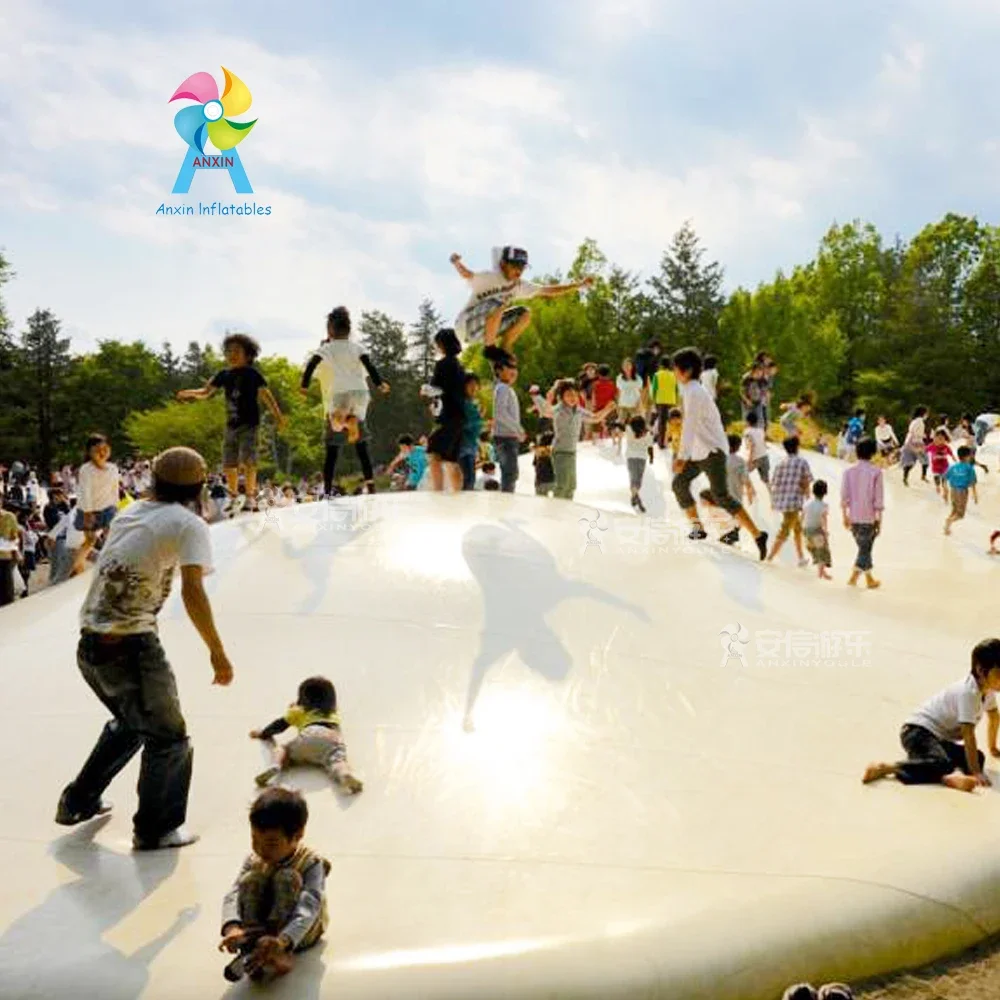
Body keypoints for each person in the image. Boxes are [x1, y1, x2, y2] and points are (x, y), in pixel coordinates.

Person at [55, 447, 234, 850]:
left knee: (131, 724)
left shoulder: (131, 510)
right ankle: (157, 829)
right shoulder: (188, 523)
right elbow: (193, 590)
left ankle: (77, 801)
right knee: (169, 737)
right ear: (200, 487)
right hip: (130, 645)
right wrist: (217, 651)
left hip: (89, 643)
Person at [219, 788, 331, 983]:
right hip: (262, 927)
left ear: (297, 835)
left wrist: (283, 941)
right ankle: (254, 945)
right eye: (254, 839)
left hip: (297, 932)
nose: (260, 849)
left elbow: (309, 908)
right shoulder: (254, 859)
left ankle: (279, 952)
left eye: (271, 843)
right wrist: (233, 927)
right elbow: (234, 893)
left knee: (287, 877)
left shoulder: (311, 863)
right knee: (250, 879)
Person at [863, 638, 1000, 793]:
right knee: (941, 762)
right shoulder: (968, 693)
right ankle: (888, 768)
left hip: (938, 739)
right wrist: (976, 772)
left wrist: (993, 747)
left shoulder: (987, 692)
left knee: (978, 756)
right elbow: (968, 735)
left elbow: (994, 717)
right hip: (917, 732)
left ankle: (950, 775)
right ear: (981, 671)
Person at [670, 348, 769, 558]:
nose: (674, 373)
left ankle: (758, 534)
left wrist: (681, 456)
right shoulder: (689, 390)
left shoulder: (694, 391)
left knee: (721, 495)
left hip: (712, 451)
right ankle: (698, 528)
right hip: (700, 452)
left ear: (686, 371)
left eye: (675, 369)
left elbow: (689, 425)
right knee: (679, 484)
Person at [177, 333, 286, 505]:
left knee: (249, 460)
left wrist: (279, 417)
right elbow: (206, 392)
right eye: (228, 351)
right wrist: (190, 393)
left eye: (237, 350)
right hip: (231, 425)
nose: (231, 354)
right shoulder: (223, 374)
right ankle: (234, 495)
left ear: (248, 354)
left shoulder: (252, 374)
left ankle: (250, 496)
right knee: (229, 463)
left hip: (250, 424)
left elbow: (267, 396)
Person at [449, 247, 592, 365]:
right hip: (466, 326)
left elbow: (548, 290)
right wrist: (456, 262)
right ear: (503, 264)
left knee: (525, 313)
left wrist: (578, 285)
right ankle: (490, 349)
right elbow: (467, 275)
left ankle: (505, 348)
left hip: (486, 331)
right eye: (515, 267)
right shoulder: (490, 277)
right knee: (499, 302)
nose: (519, 271)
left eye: (522, 268)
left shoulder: (519, 285)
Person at [301, 308, 389, 495]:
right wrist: (380, 383)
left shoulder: (327, 348)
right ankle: (371, 486)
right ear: (349, 330)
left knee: (334, 431)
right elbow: (369, 365)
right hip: (361, 392)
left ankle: (326, 490)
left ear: (330, 330)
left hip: (340, 393)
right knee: (362, 447)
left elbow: (312, 364)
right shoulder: (357, 347)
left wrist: (304, 384)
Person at [250, 676, 362, 794]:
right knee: (338, 760)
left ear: (301, 698)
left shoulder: (298, 711)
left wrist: (263, 733)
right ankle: (344, 773)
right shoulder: (332, 712)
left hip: (308, 736)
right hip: (331, 738)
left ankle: (275, 765)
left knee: (283, 748)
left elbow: (279, 725)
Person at [533, 381, 615, 501]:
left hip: (571, 451)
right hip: (560, 451)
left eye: (574, 395)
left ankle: (567, 509)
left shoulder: (579, 410)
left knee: (571, 485)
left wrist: (607, 409)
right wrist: (543, 397)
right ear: (562, 397)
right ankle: (557, 510)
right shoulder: (559, 409)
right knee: (562, 484)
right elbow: (546, 412)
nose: (572, 398)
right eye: (568, 395)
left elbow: (595, 418)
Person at [423, 328, 467, 492]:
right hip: (459, 415)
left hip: (447, 415)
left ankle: (438, 493)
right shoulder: (459, 365)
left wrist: (426, 390)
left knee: (433, 452)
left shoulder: (442, 364)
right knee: (451, 459)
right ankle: (458, 495)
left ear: (441, 344)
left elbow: (437, 388)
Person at [72, 433, 121, 575]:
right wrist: (88, 513)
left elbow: (114, 489)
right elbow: (84, 492)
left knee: (112, 535)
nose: (102, 452)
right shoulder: (86, 469)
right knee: (90, 541)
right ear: (90, 451)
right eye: (97, 449)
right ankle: (76, 567)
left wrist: (116, 507)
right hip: (88, 509)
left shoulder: (112, 468)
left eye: (104, 448)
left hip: (108, 508)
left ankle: (113, 566)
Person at [840, 437, 883, 589]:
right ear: (873, 453)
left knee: (864, 548)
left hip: (853, 517)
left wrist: (844, 516)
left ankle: (869, 579)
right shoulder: (876, 472)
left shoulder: (849, 471)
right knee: (865, 549)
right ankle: (853, 578)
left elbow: (844, 496)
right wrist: (880, 520)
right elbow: (878, 499)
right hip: (869, 517)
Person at [766, 437, 813, 566]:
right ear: (797, 447)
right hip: (794, 501)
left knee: (797, 528)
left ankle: (801, 558)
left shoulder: (781, 463)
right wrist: (808, 498)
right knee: (785, 530)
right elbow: (806, 481)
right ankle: (769, 557)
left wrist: (774, 500)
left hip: (782, 501)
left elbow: (773, 483)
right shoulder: (802, 462)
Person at [492, 358, 525, 493]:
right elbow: (500, 413)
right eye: (509, 369)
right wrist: (518, 429)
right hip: (505, 437)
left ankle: (506, 503)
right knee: (509, 473)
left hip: (509, 436)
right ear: (499, 371)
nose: (513, 372)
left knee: (511, 473)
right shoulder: (503, 388)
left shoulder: (506, 388)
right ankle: (505, 505)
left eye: (514, 369)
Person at [944, 446, 979, 536]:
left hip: (953, 491)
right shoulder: (969, 468)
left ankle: (947, 528)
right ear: (967, 456)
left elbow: (944, 478)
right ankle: (949, 521)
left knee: (954, 510)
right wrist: (975, 495)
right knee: (960, 515)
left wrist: (945, 490)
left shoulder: (953, 466)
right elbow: (972, 483)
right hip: (962, 492)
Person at [802, 480, 832, 580]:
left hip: (806, 531)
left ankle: (822, 573)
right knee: (823, 552)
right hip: (817, 532)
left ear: (813, 491)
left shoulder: (807, 503)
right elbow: (824, 519)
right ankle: (820, 574)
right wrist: (826, 531)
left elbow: (802, 516)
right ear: (825, 492)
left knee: (816, 552)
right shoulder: (824, 506)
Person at [458, 373, 484, 491]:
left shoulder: (471, 404)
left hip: (470, 447)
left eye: (476, 385)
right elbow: (462, 425)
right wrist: (480, 422)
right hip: (462, 448)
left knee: (470, 481)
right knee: (467, 481)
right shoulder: (462, 403)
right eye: (470, 385)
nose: (474, 388)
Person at [625, 415, 655, 513]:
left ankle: (635, 495)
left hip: (630, 457)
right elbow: (650, 447)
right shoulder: (648, 434)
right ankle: (635, 495)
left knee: (633, 478)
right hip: (642, 458)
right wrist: (651, 457)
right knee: (638, 479)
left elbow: (624, 424)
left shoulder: (629, 430)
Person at [651, 357, 678, 449]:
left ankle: (661, 443)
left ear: (661, 365)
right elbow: (676, 389)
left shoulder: (657, 375)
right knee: (671, 421)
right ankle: (672, 440)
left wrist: (653, 400)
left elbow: (654, 389)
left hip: (661, 401)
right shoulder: (674, 375)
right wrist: (676, 401)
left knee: (661, 423)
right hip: (671, 400)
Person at [901, 405, 928, 486]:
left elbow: (912, 432)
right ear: (923, 413)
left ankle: (905, 477)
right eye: (926, 413)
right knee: (925, 460)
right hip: (917, 442)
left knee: (910, 462)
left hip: (909, 442)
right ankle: (923, 476)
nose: (927, 415)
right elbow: (916, 433)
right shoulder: (920, 422)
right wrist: (922, 436)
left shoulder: (913, 421)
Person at [742, 410, 770, 487]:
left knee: (742, 473)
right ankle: (772, 496)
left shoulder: (747, 432)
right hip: (764, 457)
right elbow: (763, 443)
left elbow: (751, 445)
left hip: (755, 458)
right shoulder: (761, 430)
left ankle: (749, 491)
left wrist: (749, 460)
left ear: (747, 421)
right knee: (766, 481)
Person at [926, 430, 955, 502]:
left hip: (945, 467)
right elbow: (924, 451)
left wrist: (954, 458)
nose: (940, 440)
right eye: (938, 438)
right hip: (935, 468)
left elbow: (950, 453)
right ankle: (937, 486)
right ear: (934, 438)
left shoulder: (946, 447)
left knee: (944, 482)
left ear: (945, 439)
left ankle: (945, 494)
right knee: (937, 479)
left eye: (942, 439)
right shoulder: (931, 446)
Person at [0, 502, 20, 607]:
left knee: (7, 593)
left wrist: (16, 553)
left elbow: (14, 537)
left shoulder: (9, 517)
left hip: (5, 558)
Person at [591, 365, 618, 438]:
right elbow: (615, 397)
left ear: (599, 374)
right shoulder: (611, 384)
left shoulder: (595, 384)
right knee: (612, 426)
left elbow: (593, 397)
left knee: (596, 427)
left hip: (598, 409)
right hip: (609, 408)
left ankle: (595, 443)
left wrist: (593, 407)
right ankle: (614, 442)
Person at [616, 358, 643, 425]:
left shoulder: (638, 378)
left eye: (628, 365)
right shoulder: (619, 378)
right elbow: (618, 392)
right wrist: (618, 405)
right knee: (620, 425)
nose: (627, 367)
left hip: (634, 405)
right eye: (625, 365)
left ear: (632, 366)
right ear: (622, 367)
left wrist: (640, 404)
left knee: (635, 425)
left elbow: (640, 392)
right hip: (623, 405)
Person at [532, 431, 556, 497]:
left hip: (540, 481)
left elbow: (534, 465)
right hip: (553, 480)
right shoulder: (553, 452)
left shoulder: (538, 452)